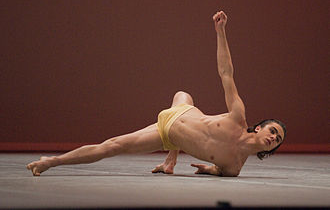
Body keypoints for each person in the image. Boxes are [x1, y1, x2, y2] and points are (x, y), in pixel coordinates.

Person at [27, 10, 286, 177]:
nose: (273, 137)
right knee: (182, 94)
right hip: (184, 112)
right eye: (272, 130)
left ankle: (50, 162)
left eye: (278, 138)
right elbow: (226, 73)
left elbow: (215, 168)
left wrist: (207, 169)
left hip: (166, 133)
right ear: (258, 128)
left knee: (112, 147)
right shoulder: (238, 116)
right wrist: (221, 33)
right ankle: (171, 157)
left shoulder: (234, 168)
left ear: (273, 148)